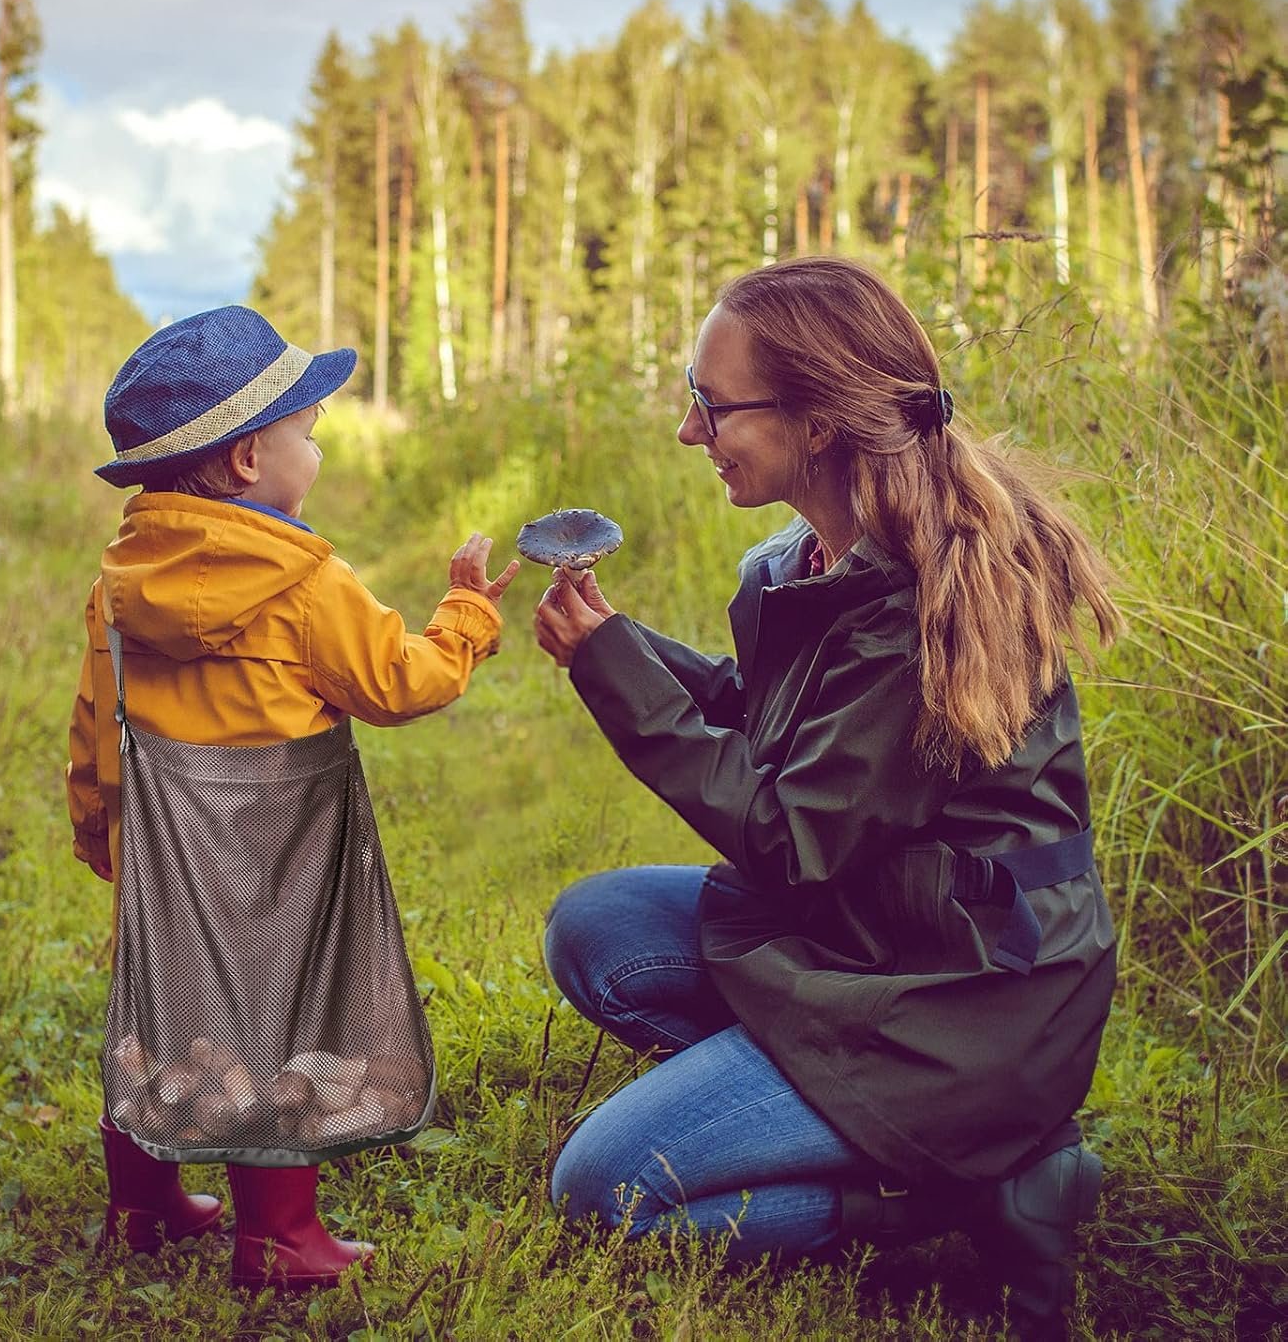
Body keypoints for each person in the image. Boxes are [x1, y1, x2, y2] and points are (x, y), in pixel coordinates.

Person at [534, 257, 1119, 1341]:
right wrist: (612, 645)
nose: (689, 433)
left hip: (969, 1005)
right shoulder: (803, 560)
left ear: (817, 422)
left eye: (712, 407)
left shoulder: (926, 596)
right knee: (597, 929)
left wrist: (614, 672)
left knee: (605, 1189)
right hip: (864, 939)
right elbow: (776, 726)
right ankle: (804, 1103)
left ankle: (964, 1184)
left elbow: (786, 834)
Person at [66, 305, 519, 1289]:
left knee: (159, 1016)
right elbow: (399, 684)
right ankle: (277, 1241)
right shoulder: (306, 583)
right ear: (245, 464)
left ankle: (141, 1210)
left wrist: (105, 833)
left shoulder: (119, 585)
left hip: (167, 867)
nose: (315, 449)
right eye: (305, 434)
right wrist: (468, 617)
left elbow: (98, 722)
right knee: (274, 1034)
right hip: (280, 873)